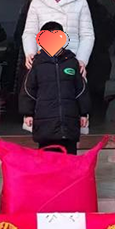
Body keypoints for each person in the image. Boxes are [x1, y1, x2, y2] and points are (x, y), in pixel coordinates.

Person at [20, 21, 91, 155]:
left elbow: (81, 90)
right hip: (45, 121)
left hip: (69, 120)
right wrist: (28, 113)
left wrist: (83, 113)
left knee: (69, 158)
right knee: (47, 159)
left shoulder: (72, 62)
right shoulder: (37, 63)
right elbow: (28, 90)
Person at [22, 0, 95, 74]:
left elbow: (87, 35)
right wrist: (30, 53)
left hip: (71, 61)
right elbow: (30, 32)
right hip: (44, 61)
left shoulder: (80, 2)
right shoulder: (38, 1)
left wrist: (81, 60)